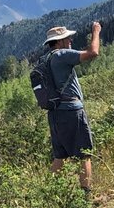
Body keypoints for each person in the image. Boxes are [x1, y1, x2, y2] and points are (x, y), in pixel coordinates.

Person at [42, 21, 101, 194]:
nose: (70, 41)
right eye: (68, 38)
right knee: (85, 153)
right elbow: (93, 53)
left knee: (60, 156)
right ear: (59, 41)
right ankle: (86, 197)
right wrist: (96, 32)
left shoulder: (46, 59)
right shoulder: (62, 55)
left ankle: (47, 194)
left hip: (54, 113)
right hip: (71, 111)